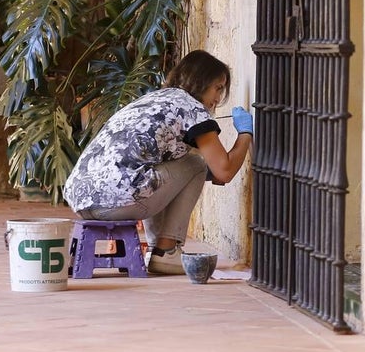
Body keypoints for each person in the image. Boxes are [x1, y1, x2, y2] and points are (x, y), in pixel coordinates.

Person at [62, 50, 254, 275]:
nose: (219, 98)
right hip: (116, 200)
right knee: (196, 165)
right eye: (218, 88)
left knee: (163, 170)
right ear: (201, 82)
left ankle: (156, 248)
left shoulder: (154, 100)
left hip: (82, 199)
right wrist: (245, 134)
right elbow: (224, 171)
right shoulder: (192, 109)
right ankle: (167, 251)